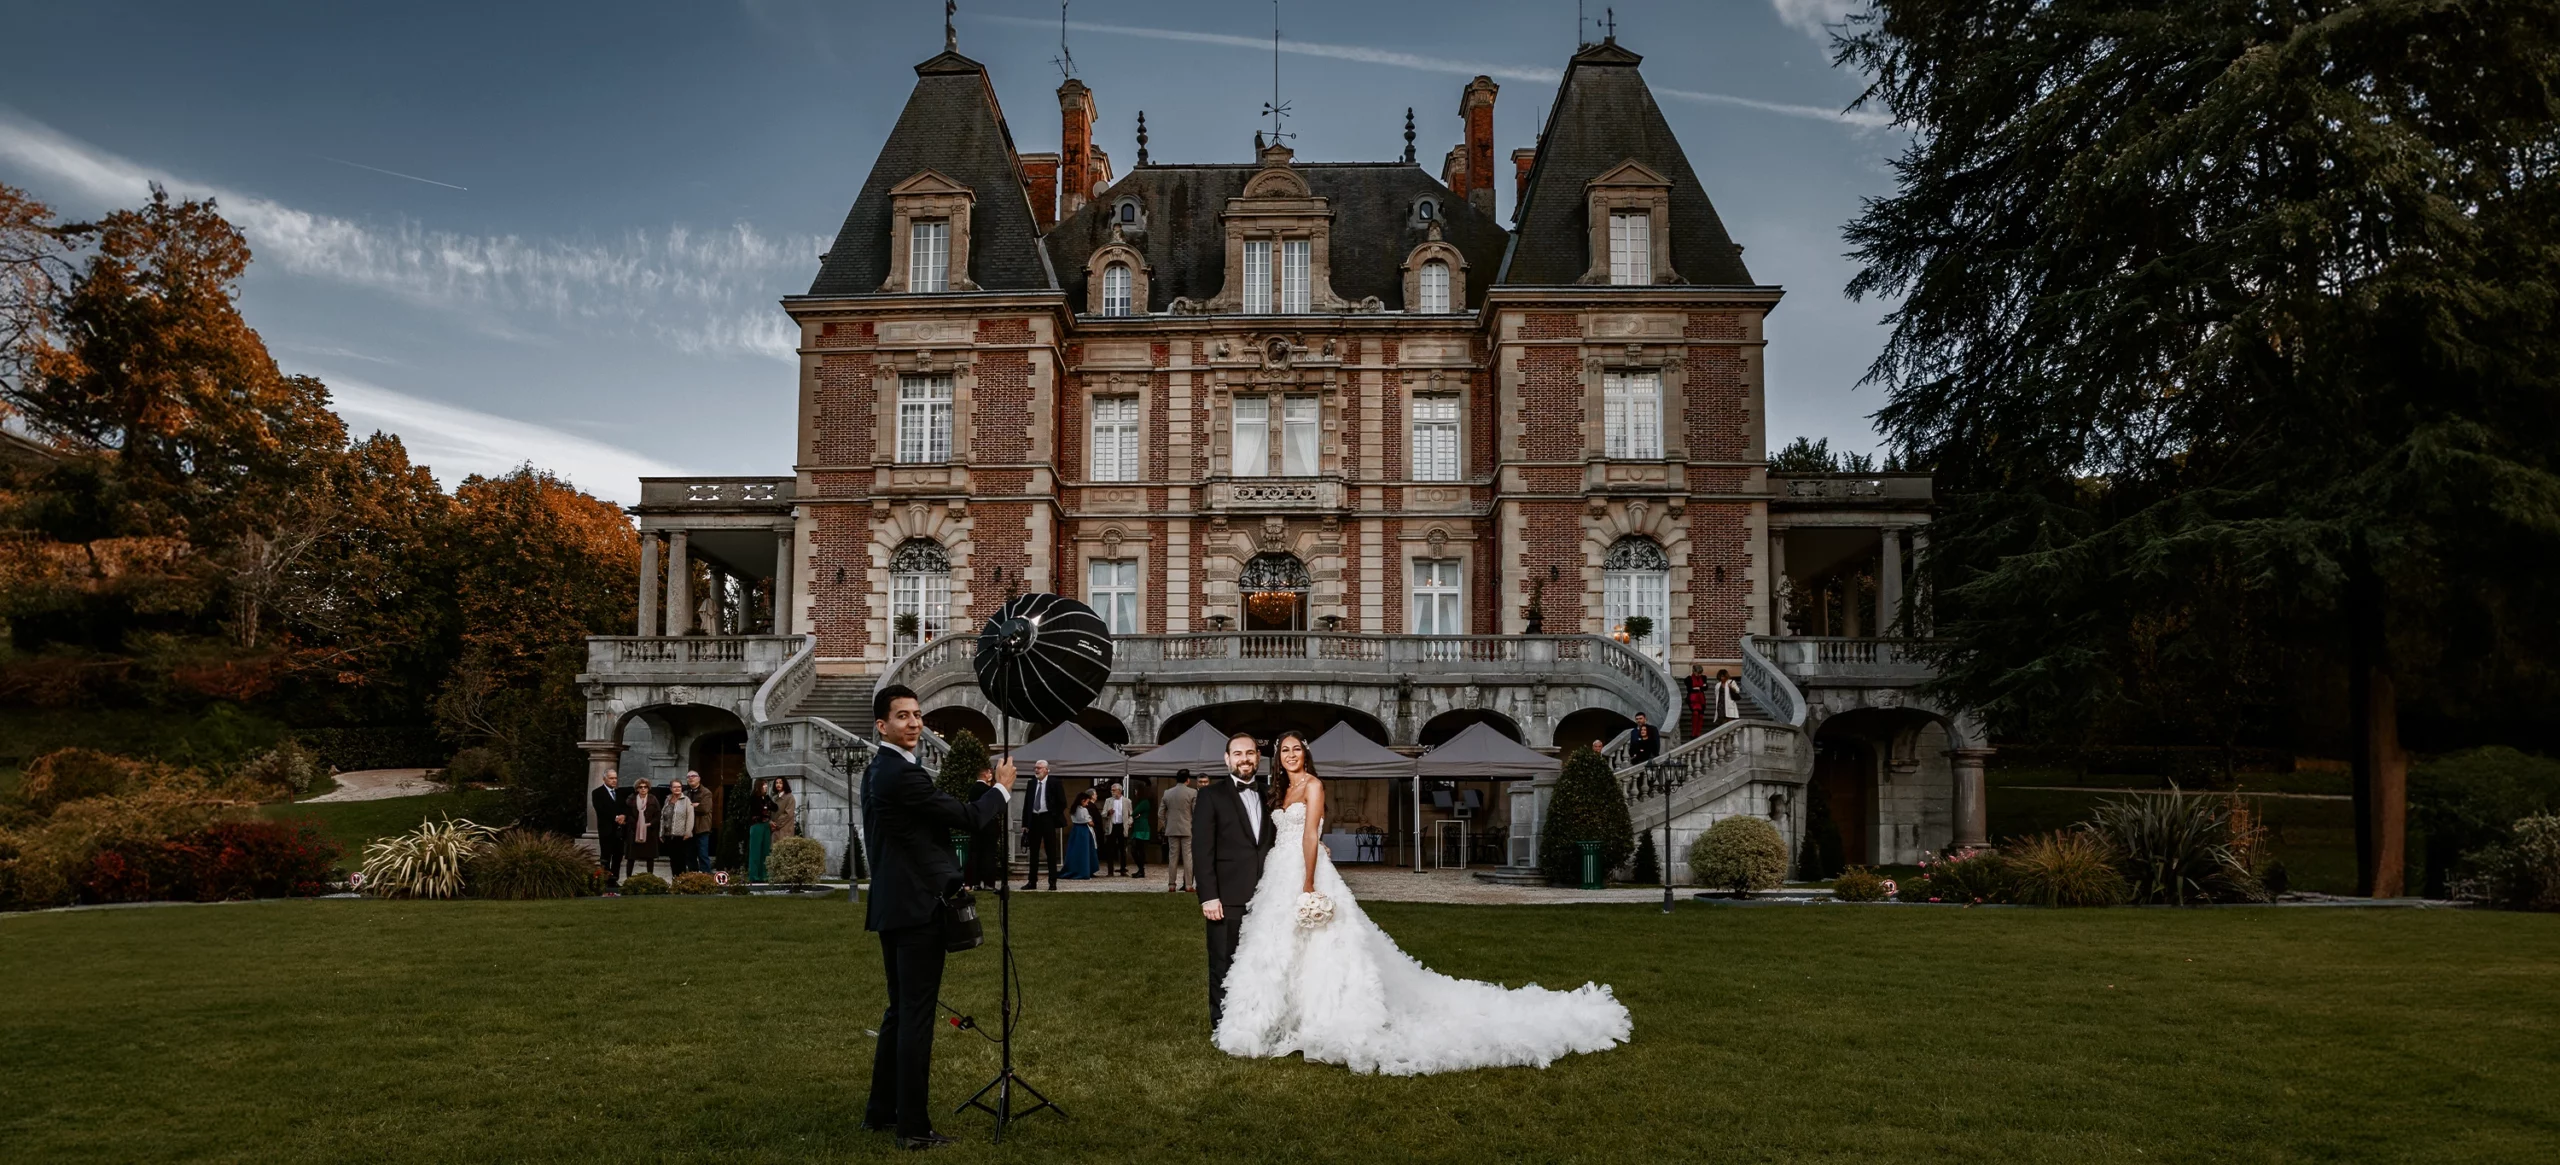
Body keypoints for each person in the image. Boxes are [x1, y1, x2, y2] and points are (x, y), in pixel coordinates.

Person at [1214, 730, 1631, 1074]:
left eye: (1296, 749)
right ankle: (1280, 1016)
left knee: (1324, 947)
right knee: (1277, 947)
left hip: (1304, 872)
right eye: (1284, 751)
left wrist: (1308, 882)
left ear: (1306, 753)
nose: (1290, 755)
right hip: (1279, 871)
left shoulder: (1314, 785)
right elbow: (1281, 834)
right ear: (1278, 758)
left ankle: (1326, 1017)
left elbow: (1309, 833)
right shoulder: (1281, 789)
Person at [860, 683, 1015, 1150]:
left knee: (899, 1012)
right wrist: (1001, 789)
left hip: (896, 906)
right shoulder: (900, 775)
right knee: (915, 1018)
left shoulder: (881, 770)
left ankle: (882, 1112)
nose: (914, 723)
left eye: (917, 714)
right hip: (916, 909)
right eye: (902, 716)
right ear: (882, 726)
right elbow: (968, 817)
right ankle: (912, 1128)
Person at [1194, 733, 1274, 1028]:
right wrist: (1208, 896)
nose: (1245, 759)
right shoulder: (1210, 796)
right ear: (1227, 759)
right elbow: (1202, 849)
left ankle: (1257, 1021)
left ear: (1258, 757)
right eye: (1237, 754)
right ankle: (1223, 1025)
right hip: (1226, 897)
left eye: (1250, 753)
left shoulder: (1270, 794)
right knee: (1223, 963)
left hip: (1269, 895)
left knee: (1265, 963)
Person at [1019, 760, 1064, 891]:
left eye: (1039, 768)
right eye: (1035, 768)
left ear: (1046, 769)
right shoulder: (1031, 783)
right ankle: (1032, 881)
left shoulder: (1054, 783)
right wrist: (1025, 823)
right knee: (1033, 852)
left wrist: (1053, 815)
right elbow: (1027, 803)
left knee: (1051, 851)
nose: (1036, 770)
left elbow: (1062, 802)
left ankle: (1052, 881)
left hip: (1047, 817)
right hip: (1034, 819)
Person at [1159, 769, 1199, 892]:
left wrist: (1167, 824)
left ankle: (1171, 885)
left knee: (1173, 858)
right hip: (1187, 828)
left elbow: (1160, 813)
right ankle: (1188, 885)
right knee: (1188, 858)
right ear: (1188, 780)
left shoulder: (1167, 793)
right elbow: (1196, 812)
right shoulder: (1192, 792)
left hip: (1172, 829)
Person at [591, 770, 628, 888]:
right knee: (606, 856)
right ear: (605, 779)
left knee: (618, 856)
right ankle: (605, 879)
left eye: (615, 778)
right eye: (611, 778)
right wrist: (616, 817)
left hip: (619, 831)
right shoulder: (597, 792)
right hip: (606, 830)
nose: (614, 781)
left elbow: (625, 807)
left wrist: (623, 816)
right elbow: (600, 809)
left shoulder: (620, 793)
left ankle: (614, 879)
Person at [625, 779, 660, 878]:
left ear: (648, 788)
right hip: (634, 831)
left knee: (650, 857)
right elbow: (627, 813)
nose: (643, 789)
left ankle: (650, 877)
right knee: (631, 857)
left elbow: (658, 815)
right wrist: (634, 823)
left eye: (645, 787)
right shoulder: (631, 799)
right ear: (637, 789)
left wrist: (650, 823)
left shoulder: (653, 799)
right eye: (641, 787)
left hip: (649, 831)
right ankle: (628, 878)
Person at [1062, 788, 1099, 880]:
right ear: (1083, 801)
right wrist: (1093, 823)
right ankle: (1085, 870)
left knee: (1075, 851)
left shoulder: (1073, 809)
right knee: (1085, 851)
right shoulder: (1083, 810)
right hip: (1083, 831)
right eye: (1087, 802)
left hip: (1075, 830)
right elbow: (1090, 822)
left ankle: (1075, 869)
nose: (1087, 804)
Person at [746, 778, 777, 882]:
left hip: (766, 825)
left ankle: (764, 875)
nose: (766, 786)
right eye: (764, 785)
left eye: (766, 785)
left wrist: (766, 805)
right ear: (759, 786)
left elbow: (775, 807)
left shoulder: (766, 798)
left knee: (765, 850)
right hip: (757, 825)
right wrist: (765, 807)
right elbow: (759, 811)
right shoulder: (754, 798)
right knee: (755, 851)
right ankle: (754, 876)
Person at [1102, 781, 1133, 876]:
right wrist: (1108, 813)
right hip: (1112, 826)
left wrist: (1129, 823)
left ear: (1119, 791)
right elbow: (1103, 814)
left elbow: (1131, 815)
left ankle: (1123, 869)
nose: (1112, 792)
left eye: (1114, 790)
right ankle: (1110, 871)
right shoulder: (1108, 801)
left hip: (1122, 826)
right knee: (1110, 849)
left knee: (1122, 849)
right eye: (1111, 790)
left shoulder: (1127, 801)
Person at [663, 785, 695, 874]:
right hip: (669, 834)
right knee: (673, 859)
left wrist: (688, 832)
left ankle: (681, 879)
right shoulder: (667, 799)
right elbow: (663, 816)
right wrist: (661, 832)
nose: (677, 789)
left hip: (682, 834)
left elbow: (690, 817)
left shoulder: (686, 800)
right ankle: (674, 879)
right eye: (674, 787)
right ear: (671, 788)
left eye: (679, 787)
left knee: (681, 859)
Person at [1128, 779, 1152, 879]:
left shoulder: (1144, 802)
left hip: (1141, 828)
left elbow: (1134, 813)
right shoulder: (1143, 802)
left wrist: (1135, 815)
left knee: (1136, 849)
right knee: (1138, 849)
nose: (1135, 792)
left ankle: (1141, 870)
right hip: (1140, 827)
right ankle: (1141, 870)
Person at [1684, 664, 1712, 739]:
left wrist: (1697, 688)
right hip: (1693, 699)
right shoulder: (1688, 679)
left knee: (1701, 716)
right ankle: (1693, 733)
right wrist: (1700, 687)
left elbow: (1705, 688)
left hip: (1701, 699)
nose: (1699, 675)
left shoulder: (1703, 677)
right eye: (1698, 673)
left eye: (1700, 673)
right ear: (1694, 671)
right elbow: (1689, 689)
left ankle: (1698, 733)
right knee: (1695, 713)